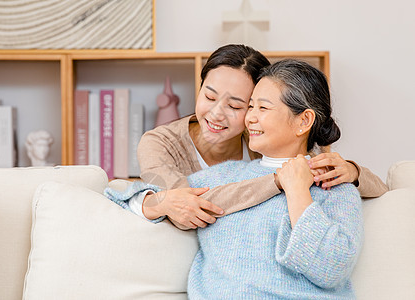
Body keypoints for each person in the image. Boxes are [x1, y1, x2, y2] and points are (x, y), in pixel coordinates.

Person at [107, 59, 363, 298]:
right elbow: (123, 199)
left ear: (304, 120)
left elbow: (332, 269)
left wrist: (298, 192)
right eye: (250, 106)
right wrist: (158, 202)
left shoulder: (334, 185)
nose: (250, 117)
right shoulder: (220, 176)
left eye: (262, 107)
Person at [133, 44, 387, 229]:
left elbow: (378, 188)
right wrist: (277, 182)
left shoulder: (262, 139)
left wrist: (352, 172)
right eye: (209, 97)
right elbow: (190, 207)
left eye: (236, 106)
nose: (216, 114)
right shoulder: (159, 143)